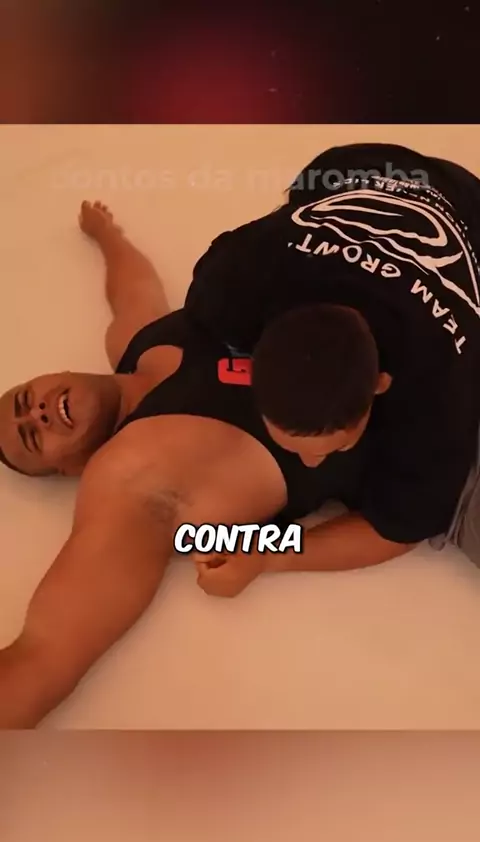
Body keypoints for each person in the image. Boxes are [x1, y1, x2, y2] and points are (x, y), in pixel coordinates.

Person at [1, 200, 402, 729]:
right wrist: (267, 556)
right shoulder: (129, 489)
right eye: (32, 437)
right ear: (68, 471)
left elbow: (132, 289)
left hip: (404, 305)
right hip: (445, 449)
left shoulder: (139, 343)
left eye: (24, 399)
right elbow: (45, 658)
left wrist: (106, 235)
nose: (37, 414)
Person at [185, 142, 480, 576]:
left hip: (467, 207)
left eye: (336, 446)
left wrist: (266, 558)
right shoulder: (233, 286)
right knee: (310, 182)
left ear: (381, 384)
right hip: (354, 168)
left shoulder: (439, 381)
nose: (312, 464)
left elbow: (400, 529)